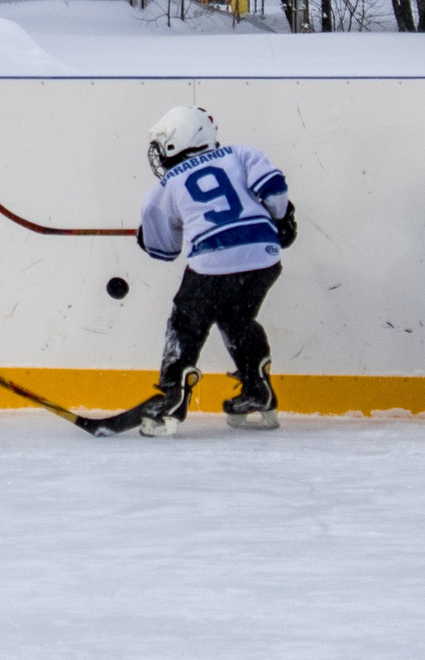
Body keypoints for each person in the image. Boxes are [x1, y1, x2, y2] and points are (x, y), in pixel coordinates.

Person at [106, 106, 298, 436]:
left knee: (187, 322)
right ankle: (258, 390)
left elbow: (164, 250)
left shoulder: (164, 187)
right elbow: (275, 188)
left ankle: (172, 398)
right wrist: (279, 218)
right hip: (263, 257)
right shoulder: (239, 153)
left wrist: (146, 237)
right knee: (237, 319)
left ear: (175, 143)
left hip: (213, 260)